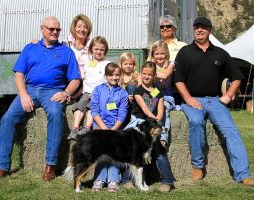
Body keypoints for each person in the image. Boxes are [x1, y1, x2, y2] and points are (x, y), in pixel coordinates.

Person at [0, 16, 81, 181]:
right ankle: (2, 166)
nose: (55, 32)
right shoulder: (30, 48)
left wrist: (66, 93)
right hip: (30, 90)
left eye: (58, 29)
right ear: (42, 29)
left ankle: (50, 166)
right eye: (51, 29)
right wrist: (24, 94)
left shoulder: (66, 52)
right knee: (8, 118)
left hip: (53, 91)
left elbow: (75, 79)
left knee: (55, 115)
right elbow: (19, 75)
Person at [173, 16, 254, 187]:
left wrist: (228, 96)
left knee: (231, 131)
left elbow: (237, 77)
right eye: (196, 27)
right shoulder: (185, 52)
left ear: (210, 30)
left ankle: (243, 174)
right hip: (192, 99)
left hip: (214, 100)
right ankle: (197, 166)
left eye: (203, 27)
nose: (199, 29)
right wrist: (188, 99)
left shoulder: (220, 53)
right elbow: (178, 80)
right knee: (196, 122)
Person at [123, 61, 174, 193]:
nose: (146, 76)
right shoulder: (138, 90)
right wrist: (154, 120)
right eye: (144, 74)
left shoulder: (158, 90)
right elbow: (145, 109)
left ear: (154, 75)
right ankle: (127, 179)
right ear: (141, 74)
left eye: (149, 74)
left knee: (159, 151)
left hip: (152, 125)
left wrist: (158, 120)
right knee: (132, 151)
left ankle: (167, 181)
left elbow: (161, 109)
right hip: (139, 124)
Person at [90, 62, 128, 192]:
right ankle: (99, 179)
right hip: (100, 127)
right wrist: (104, 129)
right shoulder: (98, 90)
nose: (114, 77)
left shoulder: (122, 93)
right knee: (101, 154)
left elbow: (122, 114)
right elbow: (94, 111)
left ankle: (113, 180)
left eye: (117, 75)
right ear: (106, 76)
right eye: (111, 75)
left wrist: (113, 130)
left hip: (115, 128)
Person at [67, 36, 110, 140]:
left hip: (100, 93)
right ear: (91, 50)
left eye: (101, 50)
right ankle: (75, 128)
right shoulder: (87, 64)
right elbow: (84, 83)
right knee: (80, 104)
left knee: (92, 106)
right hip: (86, 93)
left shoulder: (107, 64)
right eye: (96, 49)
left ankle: (87, 127)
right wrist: (73, 96)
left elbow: (109, 83)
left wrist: (100, 93)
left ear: (105, 51)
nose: (98, 52)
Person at [147, 40, 176, 144]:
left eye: (162, 53)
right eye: (156, 54)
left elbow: (165, 76)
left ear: (166, 54)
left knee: (163, 110)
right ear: (152, 54)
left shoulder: (170, 64)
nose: (159, 56)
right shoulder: (150, 64)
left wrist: (151, 73)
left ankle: (163, 138)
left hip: (166, 94)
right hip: (153, 93)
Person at [63, 14, 93, 101]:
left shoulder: (92, 46)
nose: (82, 30)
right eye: (79, 26)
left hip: (85, 82)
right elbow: (51, 46)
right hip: (69, 80)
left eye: (85, 27)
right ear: (74, 28)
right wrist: (37, 43)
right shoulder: (66, 44)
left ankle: (73, 98)